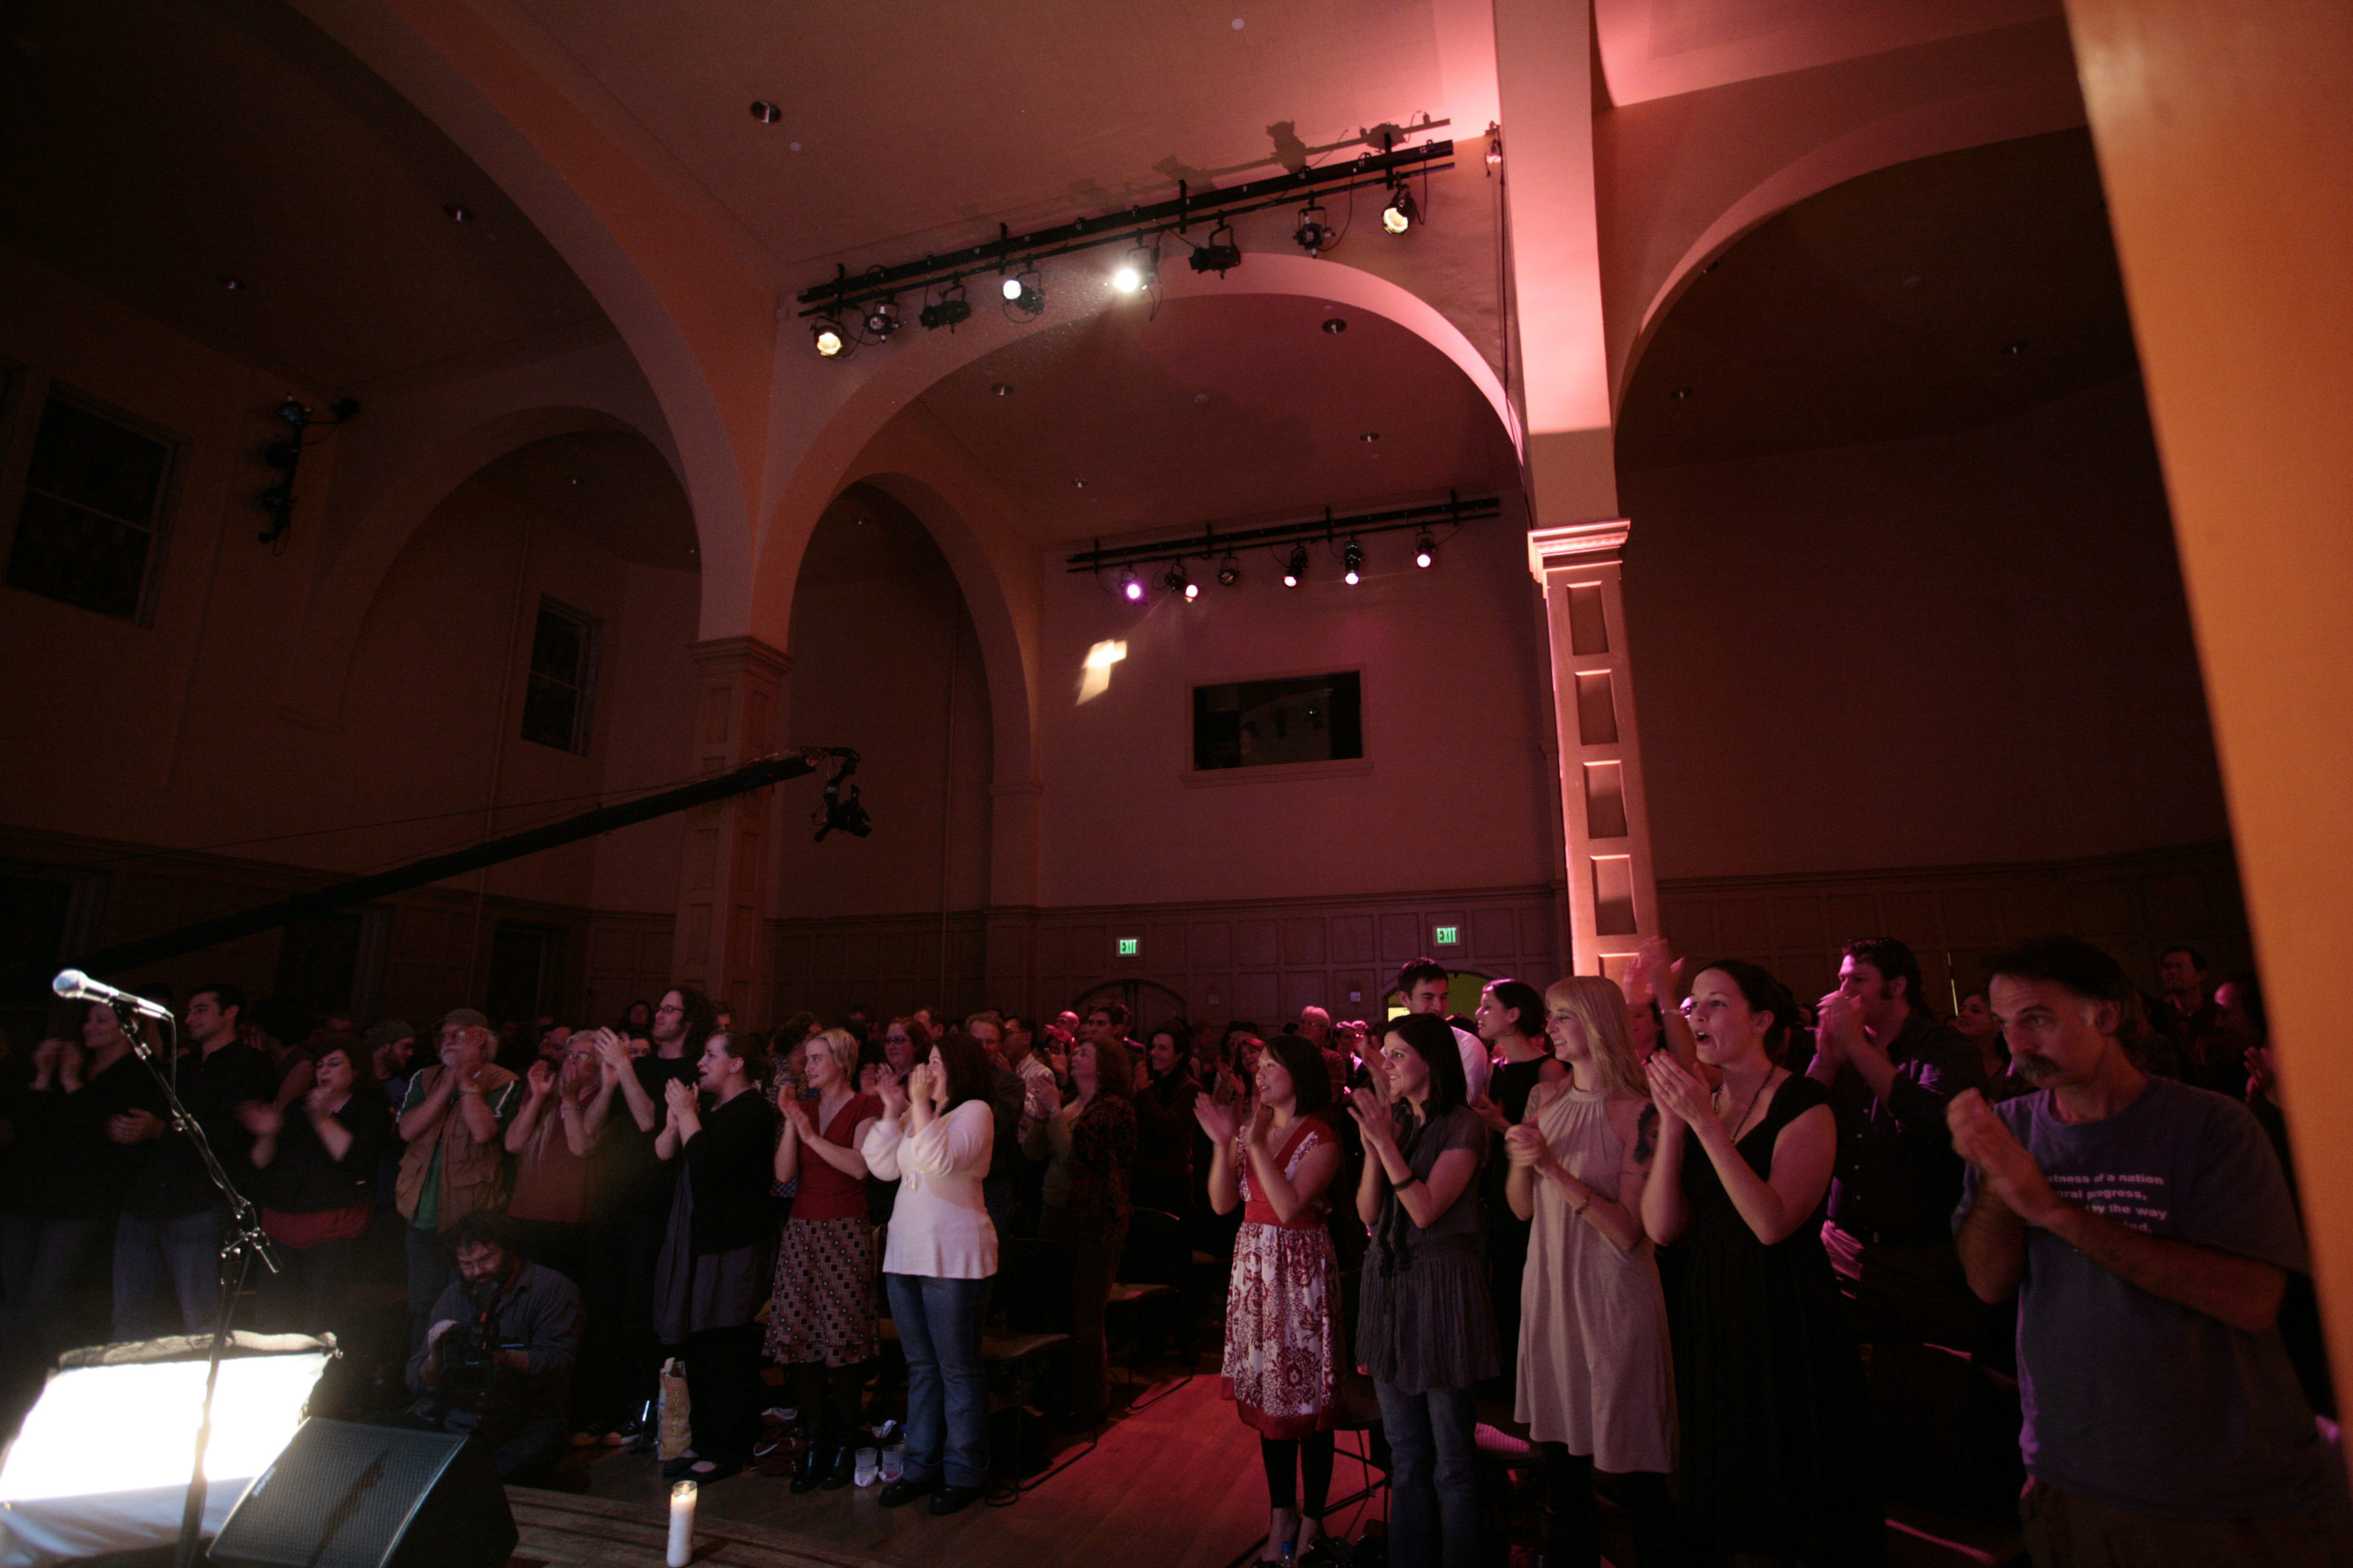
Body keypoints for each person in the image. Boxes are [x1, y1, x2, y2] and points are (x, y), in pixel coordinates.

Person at [1950, 937, 2349, 1566]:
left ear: (2106, 1014)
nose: (2016, 1046)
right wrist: (2000, 1178)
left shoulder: (2210, 1126)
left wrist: (2054, 1211)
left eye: (2037, 1020)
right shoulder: (2013, 1127)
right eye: (2005, 1025)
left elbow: (2250, 1299)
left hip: (2219, 1488)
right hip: (2072, 1476)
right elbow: (1987, 1283)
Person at [1642, 959, 1877, 1567]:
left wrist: (1703, 1124)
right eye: (1692, 1004)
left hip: (1783, 1308)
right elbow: (1664, 1227)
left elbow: (1772, 1224)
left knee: (1785, 1482)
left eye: (1715, 1003)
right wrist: (1673, 1125)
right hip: (1711, 1300)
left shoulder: (1803, 1100)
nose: (1696, 1015)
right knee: (1722, 1479)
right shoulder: (1704, 1101)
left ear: (1762, 1019)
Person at [1507, 978, 1679, 1568]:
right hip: (1551, 1287)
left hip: (1609, 1295)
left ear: (1595, 1023)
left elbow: (1631, 1230)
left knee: (1632, 1467)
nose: (1548, 1026)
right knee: (1561, 1467)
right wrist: (1520, 1157)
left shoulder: (1639, 1112)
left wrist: (1551, 1166)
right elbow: (1521, 1207)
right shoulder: (1548, 1100)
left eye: (1560, 1016)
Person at [1349, 1013, 1496, 1568]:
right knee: (1406, 1455)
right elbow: (1368, 1211)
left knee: (1452, 1459)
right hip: (1389, 1283)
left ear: (1429, 1061)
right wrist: (1373, 1145)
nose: (1385, 1064)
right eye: (1384, 1053)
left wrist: (1385, 1143)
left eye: (1397, 1053)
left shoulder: (1463, 1125)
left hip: (1441, 1285)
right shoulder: (1398, 1123)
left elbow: (1428, 1209)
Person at [1199, 1034, 1346, 1568]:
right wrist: (1223, 1145)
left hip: (1298, 1268)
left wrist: (1253, 1141)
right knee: (1271, 1405)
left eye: (1271, 1066)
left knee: (1307, 1402)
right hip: (1255, 1263)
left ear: (1298, 1074)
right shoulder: (1251, 1131)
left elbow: (1287, 1206)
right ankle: (1281, 1511)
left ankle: (1314, 1519)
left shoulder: (1322, 1135)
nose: (1259, 1075)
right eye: (1258, 1066)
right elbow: (1221, 1203)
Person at [1810, 937, 1985, 1350]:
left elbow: (1933, 1121)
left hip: (1921, 1257)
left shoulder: (1943, 1047)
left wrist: (1857, 1045)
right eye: (1841, 980)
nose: (1843, 992)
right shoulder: (1844, 1049)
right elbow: (1802, 1124)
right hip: (1843, 1249)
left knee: (1929, 1387)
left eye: (1858, 980)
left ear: (1897, 985)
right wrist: (1827, 1060)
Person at [865, 1029, 999, 1516]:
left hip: (954, 1256)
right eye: (930, 1061)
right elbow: (880, 1166)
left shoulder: (974, 1111)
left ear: (960, 1069)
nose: (929, 1068)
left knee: (957, 1367)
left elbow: (940, 1159)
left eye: (939, 1062)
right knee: (921, 1366)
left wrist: (919, 1106)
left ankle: (964, 1471)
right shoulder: (921, 1113)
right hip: (906, 1254)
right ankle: (919, 1466)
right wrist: (891, 1107)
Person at [1, 1003, 149, 1406]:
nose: (90, 1027)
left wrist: (69, 1081)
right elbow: (29, 1129)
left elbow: (100, 1135)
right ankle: (15, 1383)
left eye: (102, 1020)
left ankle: (59, 1379)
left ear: (129, 1028)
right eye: (88, 1019)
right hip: (29, 1196)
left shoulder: (137, 1075)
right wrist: (45, 1076)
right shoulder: (80, 1065)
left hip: (80, 1203)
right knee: (11, 1295)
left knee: (45, 1296)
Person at [585, 986, 713, 1435]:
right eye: (658, 1008)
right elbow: (597, 1127)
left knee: (643, 1313)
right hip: (613, 1197)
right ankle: (607, 1404)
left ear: (689, 1021)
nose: (658, 1015)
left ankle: (649, 1407)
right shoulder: (640, 1065)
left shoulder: (690, 1071)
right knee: (604, 1308)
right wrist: (609, 1079)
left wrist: (624, 1068)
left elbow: (647, 1122)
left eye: (669, 1010)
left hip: (655, 1205)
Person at [115, 983, 276, 1339]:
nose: (190, 1019)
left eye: (201, 1009)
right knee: (130, 1315)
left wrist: (161, 1130)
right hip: (148, 1201)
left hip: (199, 1204)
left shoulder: (249, 1065)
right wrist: (129, 1128)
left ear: (230, 1012)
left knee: (200, 1318)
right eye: (188, 1012)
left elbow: (234, 1133)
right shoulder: (182, 1066)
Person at [652, 1028, 779, 1482]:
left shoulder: (753, 1112)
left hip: (733, 1241)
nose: (700, 1063)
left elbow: (707, 1167)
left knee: (725, 1342)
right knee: (700, 1343)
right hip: (699, 1238)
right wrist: (677, 1118)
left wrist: (688, 1115)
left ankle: (727, 1447)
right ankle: (703, 1441)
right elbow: (665, 1154)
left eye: (710, 1055)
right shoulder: (709, 1109)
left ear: (736, 1063)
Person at [766, 1027, 882, 1491]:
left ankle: (843, 1441)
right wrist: (793, 1121)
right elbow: (783, 1173)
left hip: (845, 1228)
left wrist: (809, 1132)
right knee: (802, 1337)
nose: (807, 1067)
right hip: (802, 1227)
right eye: (806, 1059)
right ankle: (814, 1441)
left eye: (816, 1059)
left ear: (841, 1062)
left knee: (843, 1338)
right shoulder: (806, 1108)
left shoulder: (866, 1107)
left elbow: (859, 1166)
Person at [406, 1211, 585, 1483]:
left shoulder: (552, 1289)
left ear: (509, 1250)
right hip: (456, 1418)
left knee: (501, 1471)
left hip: (525, 1421)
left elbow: (558, 1363)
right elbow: (415, 1379)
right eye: (466, 1264)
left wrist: (502, 1357)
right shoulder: (454, 1295)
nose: (477, 1272)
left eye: (486, 1259)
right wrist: (434, 1355)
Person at [395, 1008, 523, 1350]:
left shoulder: (504, 1081)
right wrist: (447, 1082)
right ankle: (421, 1385)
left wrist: (466, 1084)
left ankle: (462, 1392)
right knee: (423, 1307)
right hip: (422, 1215)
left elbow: (483, 1132)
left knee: (469, 1309)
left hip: (471, 1219)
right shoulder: (425, 1078)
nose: (448, 1042)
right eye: (444, 1036)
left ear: (481, 1038)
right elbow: (407, 1130)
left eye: (458, 1034)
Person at [1029, 1034, 1140, 1428]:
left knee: (1084, 1316)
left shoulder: (1115, 1108)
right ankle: (1058, 1395)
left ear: (1106, 1065)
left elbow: (1079, 1161)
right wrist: (1042, 1116)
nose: (1075, 1058)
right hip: (1054, 1214)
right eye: (1077, 1052)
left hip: (1094, 1220)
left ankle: (1092, 1403)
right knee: (1053, 1310)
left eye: (1086, 1053)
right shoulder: (1069, 1102)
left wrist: (1055, 1113)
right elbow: (1033, 1152)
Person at [247, 1037, 392, 1336]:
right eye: (320, 1066)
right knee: (273, 1316)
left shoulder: (370, 1105)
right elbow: (261, 1162)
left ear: (355, 1070)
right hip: (283, 1220)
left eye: (334, 1064)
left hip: (333, 1224)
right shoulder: (298, 1106)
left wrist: (323, 1118)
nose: (324, 1071)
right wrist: (267, 1134)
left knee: (322, 1316)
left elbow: (355, 1161)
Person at [1464, 978, 1565, 1389]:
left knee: (1530, 1277)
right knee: (1503, 1277)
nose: (1479, 1014)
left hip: (1536, 1185)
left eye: (1488, 1007)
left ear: (1514, 1015)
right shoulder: (1495, 1067)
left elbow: (1550, 1144)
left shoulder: (1550, 1069)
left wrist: (1498, 1124)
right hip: (1499, 1182)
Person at [1132, 1024, 1202, 1222]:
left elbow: (1167, 1127)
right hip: (1144, 1175)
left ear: (1179, 1055)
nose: (1154, 1053)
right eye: (1153, 1047)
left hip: (1171, 1179)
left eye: (1163, 1048)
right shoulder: (1151, 1083)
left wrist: (1144, 1093)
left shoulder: (1189, 1088)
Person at [1396, 958, 1490, 1102]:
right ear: (1404, 999)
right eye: (1428, 997)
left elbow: (1466, 1105)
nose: (1439, 1007)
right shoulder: (1392, 1048)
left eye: (1444, 997)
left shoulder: (1466, 1045)